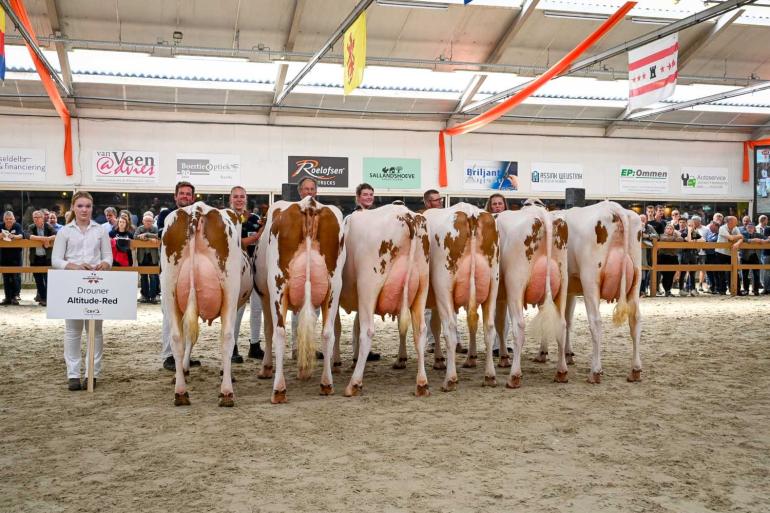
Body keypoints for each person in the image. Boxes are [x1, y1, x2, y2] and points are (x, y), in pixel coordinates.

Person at [51, 191, 113, 391]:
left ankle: (92, 374)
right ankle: (73, 375)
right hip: (72, 284)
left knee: (95, 331)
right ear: (73, 208)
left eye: (87, 206)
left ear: (92, 208)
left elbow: (108, 257)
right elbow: (56, 260)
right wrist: (75, 266)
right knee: (72, 331)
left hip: (96, 284)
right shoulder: (64, 232)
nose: (84, 209)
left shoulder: (101, 231)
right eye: (80, 206)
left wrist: (104, 264)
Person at [159, 181, 199, 371]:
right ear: (175, 197)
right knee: (170, 315)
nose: (185, 196)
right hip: (170, 273)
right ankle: (169, 354)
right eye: (181, 193)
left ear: (193, 197)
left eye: (188, 194)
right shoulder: (166, 216)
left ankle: (185, 355)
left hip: (191, 273)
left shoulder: (198, 217)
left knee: (189, 314)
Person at [229, 186, 265, 362]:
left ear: (246, 198)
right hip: (236, 269)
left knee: (258, 308)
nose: (239, 199)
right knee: (237, 309)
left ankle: (255, 344)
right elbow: (236, 243)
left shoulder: (255, 218)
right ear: (230, 198)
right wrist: (258, 235)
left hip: (255, 266)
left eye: (242, 196)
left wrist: (264, 230)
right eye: (235, 196)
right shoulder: (226, 218)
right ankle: (232, 347)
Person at [25, 210, 56, 306]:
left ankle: (48, 299)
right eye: (34, 217)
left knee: (48, 280)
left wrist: (49, 239)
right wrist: (44, 239)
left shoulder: (48, 226)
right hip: (35, 258)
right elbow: (28, 236)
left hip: (46, 258)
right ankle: (42, 298)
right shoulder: (31, 227)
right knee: (38, 280)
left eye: (38, 217)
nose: (36, 219)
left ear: (43, 218)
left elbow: (56, 234)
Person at [135, 213, 160, 303]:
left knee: (153, 276)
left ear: (153, 221)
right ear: (143, 221)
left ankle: (154, 296)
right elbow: (135, 237)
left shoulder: (156, 228)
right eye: (146, 221)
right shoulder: (139, 228)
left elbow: (159, 236)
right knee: (143, 276)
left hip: (153, 256)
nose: (148, 222)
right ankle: (144, 296)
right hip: (142, 256)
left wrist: (146, 235)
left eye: (150, 221)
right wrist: (148, 239)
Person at [716, 216, 744, 295]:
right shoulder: (722, 228)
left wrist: (738, 243)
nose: (737, 223)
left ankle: (736, 290)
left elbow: (741, 239)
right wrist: (739, 237)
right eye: (735, 221)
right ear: (729, 222)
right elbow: (731, 238)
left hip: (731, 253)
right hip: (720, 252)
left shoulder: (735, 228)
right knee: (721, 272)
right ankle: (722, 290)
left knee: (734, 271)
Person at [1, 211, 24, 305]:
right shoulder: (0, 226)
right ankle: (7, 298)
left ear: (14, 219)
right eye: (7, 219)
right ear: (4, 219)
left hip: (16, 255)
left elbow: (21, 235)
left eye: (10, 219)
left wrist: (13, 236)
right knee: (6, 277)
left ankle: (15, 296)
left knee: (15, 277)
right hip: (3, 255)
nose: (9, 221)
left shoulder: (17, 226)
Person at [739, 222, 765, 296]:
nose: (750, 229)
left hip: (755, 256)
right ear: (746, 228)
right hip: (744, 256)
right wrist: (754, 240)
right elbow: (744, 239)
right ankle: (746, 290)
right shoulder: (742, 234)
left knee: (756, 274)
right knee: (744, 274)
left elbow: (766, 238)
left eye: (751, 227)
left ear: (754, 229)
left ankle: (756, 290)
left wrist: (762, 241)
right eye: (748, 228)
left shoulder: (758, 235)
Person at [658, 223, 682, 297]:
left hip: (673, 257)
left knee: (671, 274)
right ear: (665, 230)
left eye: (671, 228)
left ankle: (668, 290)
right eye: (667, 228)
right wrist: (675, 238)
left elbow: (681, 239)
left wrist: (675, 238)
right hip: (664, 257)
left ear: (673, 230)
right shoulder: (661, 235)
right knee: (665, 274)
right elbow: (665, 239)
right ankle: (667, 290)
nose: (669, 230)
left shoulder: (676, 236)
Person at [679, 218, 700, 296]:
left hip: (693, 254)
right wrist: (690, 233)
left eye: (692, 225)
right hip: (685, 253)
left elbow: (703, 240)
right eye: (689, 225)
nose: (691, 227)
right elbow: (689, 241)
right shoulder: (683, 233)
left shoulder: (695, 233)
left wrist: (696, 240)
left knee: (692, 273)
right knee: (683, 272)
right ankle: (681, 289)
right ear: (687, 226)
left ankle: (693, 289)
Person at [639, 214, 658, 297]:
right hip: (635, 252)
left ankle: (643, 291)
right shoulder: (633, 226)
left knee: (645, 271)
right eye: (641, 219)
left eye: (644, 219)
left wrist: (648, 236)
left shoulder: (649, 227)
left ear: (646, 220)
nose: (642, 221)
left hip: (646, 253)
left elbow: (657, 236)